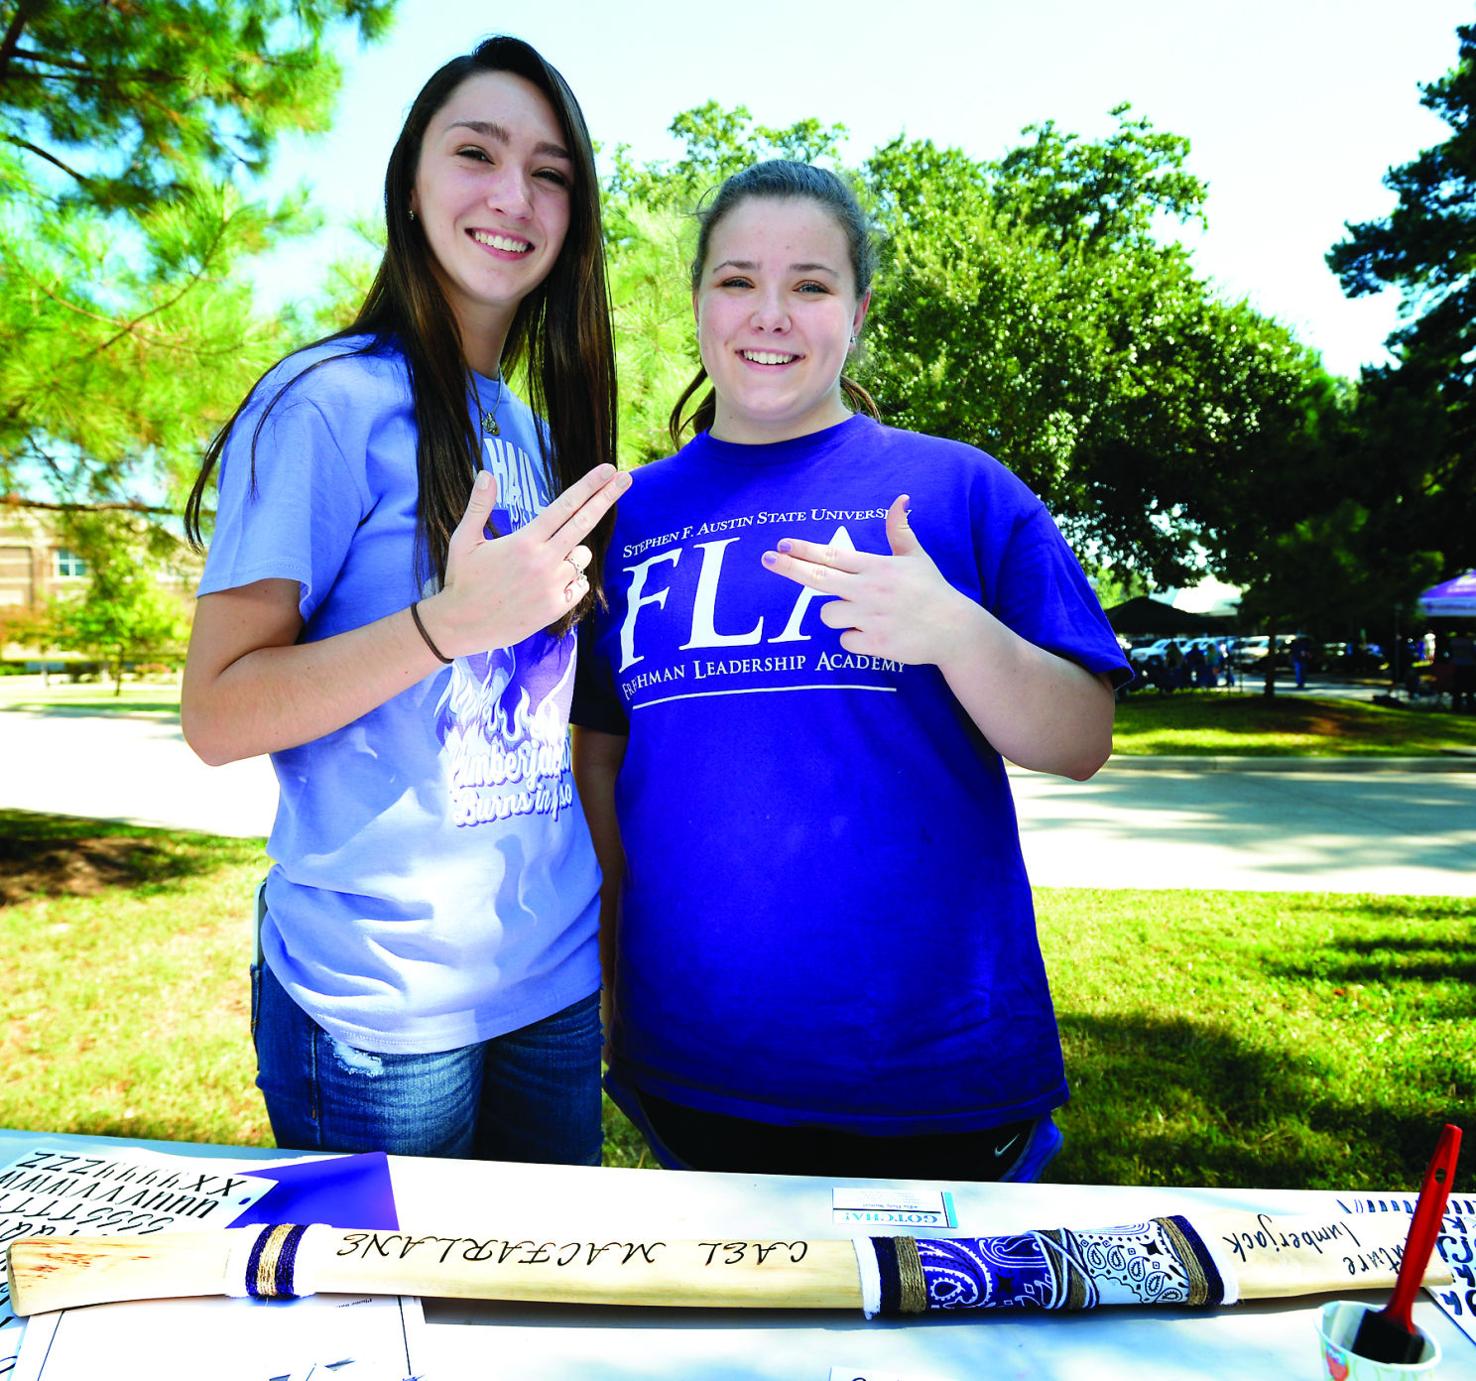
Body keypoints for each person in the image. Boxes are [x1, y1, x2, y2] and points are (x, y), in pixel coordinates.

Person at [572, 161, 1130, 1181]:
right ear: (697, 298)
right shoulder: (628, 515)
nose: (769, 314)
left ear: (860, 309)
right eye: (737, 280)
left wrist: (956, 631)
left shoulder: (958, 488)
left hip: (934, 1073)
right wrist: (612, 975)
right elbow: (601, 760)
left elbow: (1082, 739)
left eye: (812, 285)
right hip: (696, 1064)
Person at [180, 37, 630, 1164]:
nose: (512, 196)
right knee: (402, 1346)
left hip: (551, 991)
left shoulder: (530, 428)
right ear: (412, 183)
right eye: (475, 152)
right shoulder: (326, 403)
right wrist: (444, 626)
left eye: (550, 173)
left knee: (542, 1345)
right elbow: (217, 712)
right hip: (379, 1018)